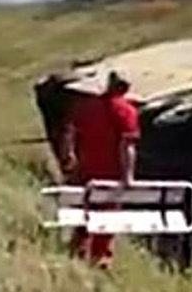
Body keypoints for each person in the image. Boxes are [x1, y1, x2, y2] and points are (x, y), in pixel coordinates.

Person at [60, 70, 140, 268]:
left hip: (85, 171)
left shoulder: (87, 106)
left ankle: (77, 250)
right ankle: (100, 257)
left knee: (84, 211)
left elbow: (69, 131)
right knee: (107, 217)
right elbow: (126, 145)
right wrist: (128, 176)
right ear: (126, 88)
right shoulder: (127, 111)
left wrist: (69, 155)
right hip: (110, 175)